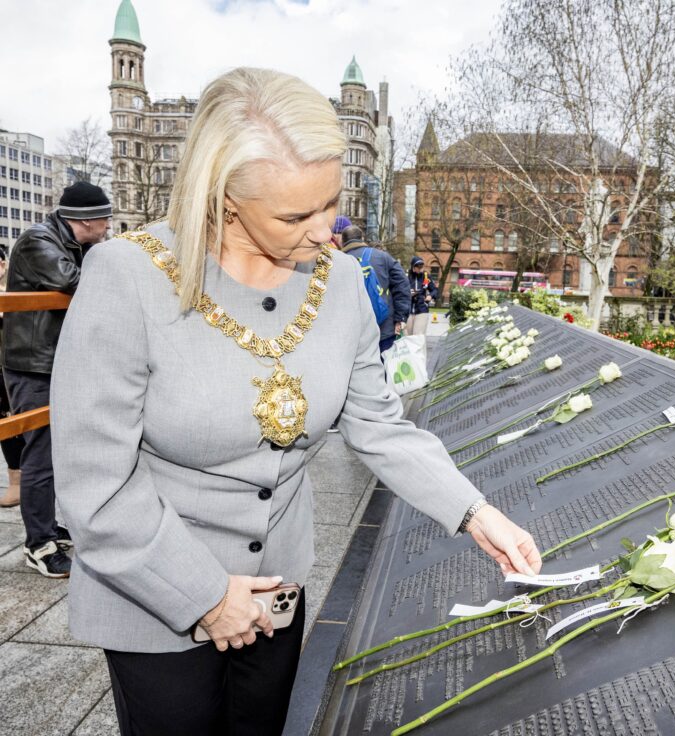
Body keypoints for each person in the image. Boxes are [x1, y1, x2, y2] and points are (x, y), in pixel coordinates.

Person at [50, 67, 540, 736]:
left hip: (277, 592)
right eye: (295, 215)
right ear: (223, 197)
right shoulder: (125, 275)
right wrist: (206, 595)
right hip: (154, 591)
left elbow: (378, 425)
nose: (326, 233)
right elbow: (94, 480)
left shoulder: (339, 283)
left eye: (329, 204)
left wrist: (477, 513)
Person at [3, 181, 111, 576]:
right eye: (105, 218)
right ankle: (39, 544)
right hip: (32, 363)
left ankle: (47, 526)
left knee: (59, 451)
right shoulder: (37, 240)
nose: (109, 226)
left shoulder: (76, 244)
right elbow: (72, 281)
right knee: (41, 453)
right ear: (87, 220)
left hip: (57, 360)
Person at [337, 224, 410, 354]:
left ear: (343, 241)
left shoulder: (336, 261)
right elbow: (402, 285)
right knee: (384, 367)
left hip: (351, 333)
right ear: (362, 238)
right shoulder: (382, 257)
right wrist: (400, 318)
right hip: (384, 327)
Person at [0, 254, 25, 508]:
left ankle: (23, 482)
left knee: (15, 418)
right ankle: (15, 481)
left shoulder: (16, 292)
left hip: (15, 366)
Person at [406, 256, 438, 338]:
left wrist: (430, 296)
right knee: (407, 336)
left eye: (422, 266)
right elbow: (400, 291)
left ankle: (419, 351)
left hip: (422, 309)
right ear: (413, 267)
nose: (421, 268)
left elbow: (434, 290)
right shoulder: (406, 277)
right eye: (419, 266)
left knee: (418, 336)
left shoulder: (426, 276)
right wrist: (409, 294)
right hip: (408, 310)